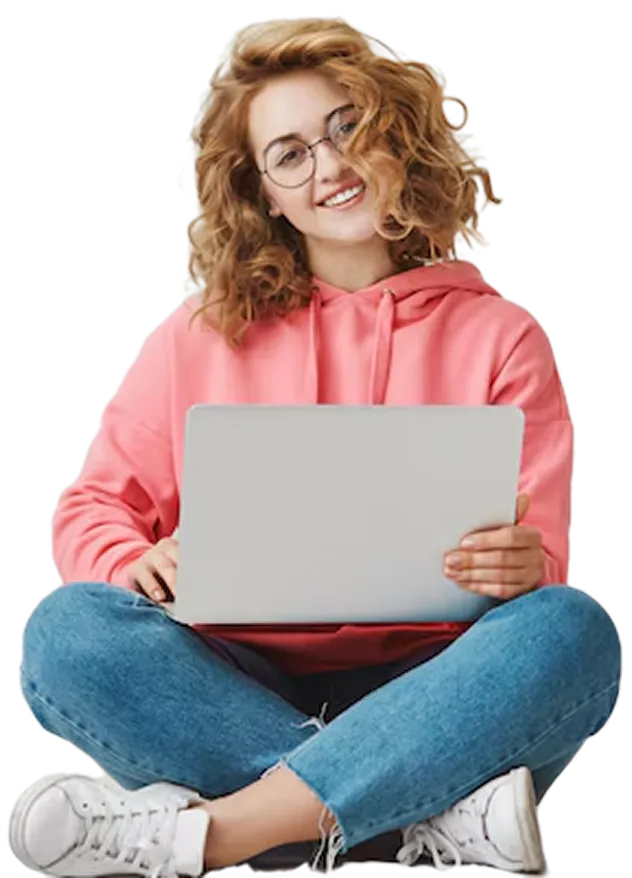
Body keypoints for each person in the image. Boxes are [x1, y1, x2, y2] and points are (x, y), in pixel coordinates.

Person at [8, 14, 621, 878]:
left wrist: (520, 566)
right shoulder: (202, 334)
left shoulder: (503, 338)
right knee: (67, 632)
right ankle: (424, 826)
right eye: (290, 154)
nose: (329, 165)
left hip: (435, 688)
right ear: (265, 192)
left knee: (572, 631)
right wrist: (131, 560)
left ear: (394, 138)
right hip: (227, 685)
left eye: (347, 128)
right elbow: (93, 506)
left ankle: (220, 836)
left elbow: (541, 560)